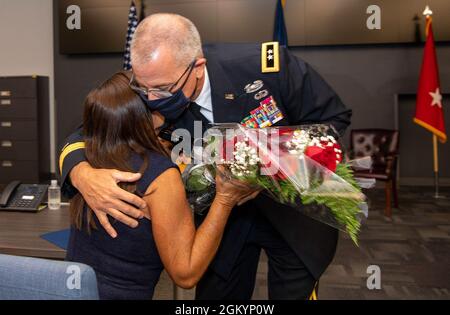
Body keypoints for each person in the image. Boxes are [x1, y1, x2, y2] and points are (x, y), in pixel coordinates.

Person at [60, 13, 352, 300]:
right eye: (143, 88)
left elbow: (333, 120)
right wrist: (80, 173)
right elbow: (90, 131)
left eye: (162, 90)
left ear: (197, 67)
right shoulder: (152, 78)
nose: (150, 100)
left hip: (293, 217)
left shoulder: (265, 67)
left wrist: (270, 168)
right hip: (220, 223)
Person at [65, 72, 259, 300]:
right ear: (144, 114)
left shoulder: (91, 155)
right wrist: (225, 200)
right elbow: (185, 274)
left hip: (71, 291)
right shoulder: (160, 175)